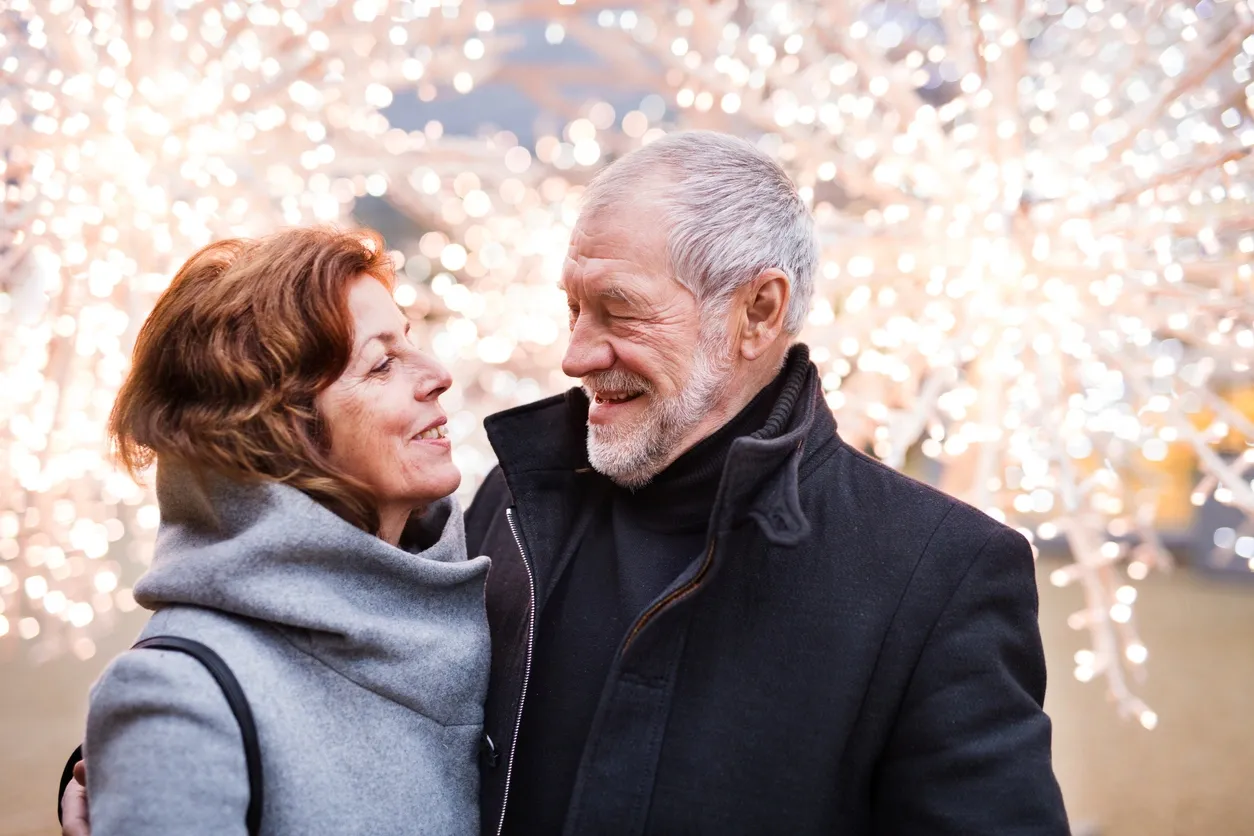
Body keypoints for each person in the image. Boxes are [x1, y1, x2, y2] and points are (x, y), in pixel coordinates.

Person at [465, 130, 1070, 834]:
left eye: (619, 310)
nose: (575, 354)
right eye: (573, 308)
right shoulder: (512, 506)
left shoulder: (940, 575)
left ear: (757, 312)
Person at [60, 228, 490, 835]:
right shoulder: (180, 697)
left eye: (411, 341)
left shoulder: (493, 590)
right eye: (382, 362)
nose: (438, 374)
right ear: (286, 430)